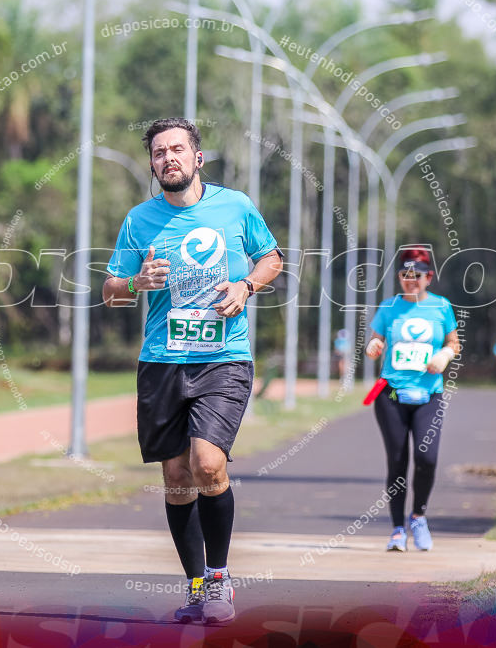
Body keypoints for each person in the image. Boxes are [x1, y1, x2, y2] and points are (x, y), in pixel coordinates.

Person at [102, 118, 283, 625]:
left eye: (177, 149)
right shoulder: (139, 219)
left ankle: (221, 580)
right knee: (177, 476)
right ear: (154, 165)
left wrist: (246, 286)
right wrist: (137, 282)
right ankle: (197, 586)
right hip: (162, 362)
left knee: (206, 464)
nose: (168, 159)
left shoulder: (235, 206)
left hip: (223, 358)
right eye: (159, 153)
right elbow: (110, 290)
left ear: (197, 157)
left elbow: (272, 259)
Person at [364, 247, 461, 552]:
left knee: (427, 458)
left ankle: (418, 516)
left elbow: (453, 342)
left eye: (416, 276)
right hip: (391, 395)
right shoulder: (390, 306)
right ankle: (396, 529)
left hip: (428, 395)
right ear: (400, 277)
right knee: (397, 461)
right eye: (405, 275)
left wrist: (444, 355)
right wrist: (375, 345)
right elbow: (377, 336)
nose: (411, 280)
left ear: (428, 278)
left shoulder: (441, 307)